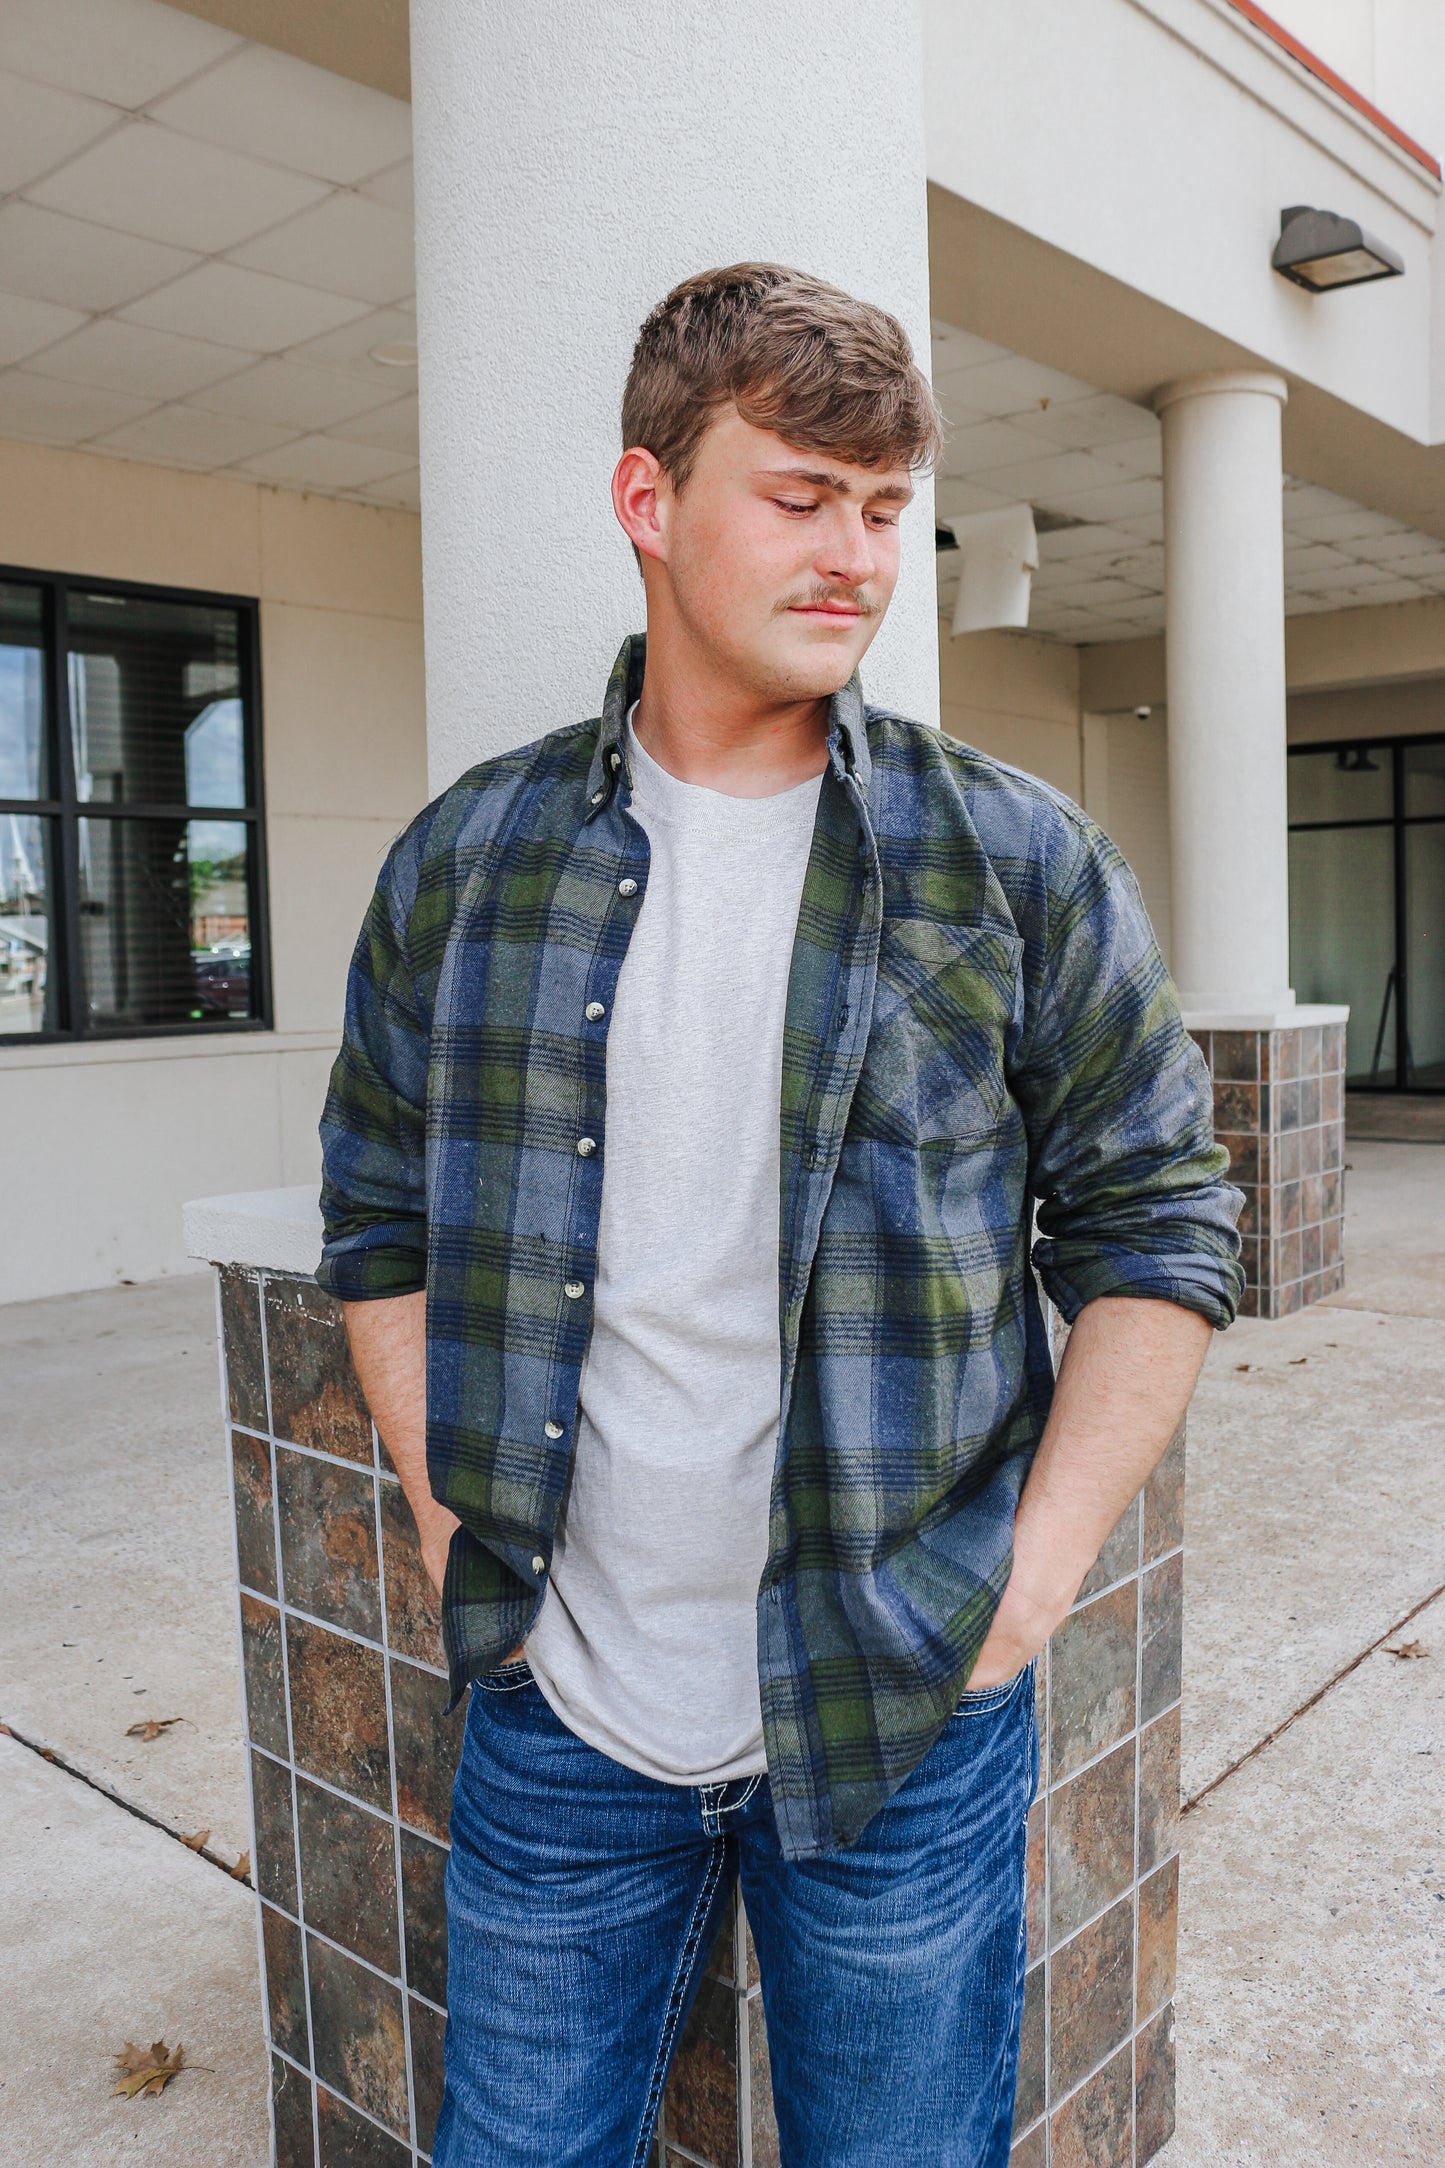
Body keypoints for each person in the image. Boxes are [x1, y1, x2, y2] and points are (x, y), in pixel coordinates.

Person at [318, 261, 1242, 2168]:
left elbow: (1158, 1226)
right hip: (562, 1712)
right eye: (801, 496)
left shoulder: (1014, 860)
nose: (857, 555)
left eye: (887, 509)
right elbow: (378, 1220)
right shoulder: (469, 864)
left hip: (905, 1710)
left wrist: (1030, 1579)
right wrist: (444, 1527)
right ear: (649, 502)